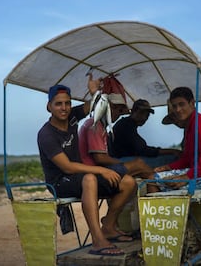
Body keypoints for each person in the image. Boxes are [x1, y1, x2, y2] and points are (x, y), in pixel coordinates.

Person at [37, 80, 136, 256]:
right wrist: (102, 170)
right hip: (60, 182)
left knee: (128, 182)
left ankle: (108, 227)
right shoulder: (46, 134)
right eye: (58, 104)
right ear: (49, 107)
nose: (64, 108)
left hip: (80, 176)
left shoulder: (72, 117)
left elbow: (95, 105)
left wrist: (93, 92)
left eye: (67, 103)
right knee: (90, 178)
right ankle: (98, 241)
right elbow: (67, 167)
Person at [79, 82, 160, 195]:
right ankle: (159, 199)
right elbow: (100, 158)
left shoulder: (101, 126)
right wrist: (123, 163)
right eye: (117, 109)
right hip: (94, 171)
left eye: (121, 110)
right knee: (140, 164)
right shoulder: (96, 125)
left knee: (145, 173)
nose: (118, 114)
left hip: (100, 168)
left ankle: (152, 204)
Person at [155, 87, 201, 188]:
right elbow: (187, 159)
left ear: (192, 103)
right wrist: (167, 167)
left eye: (181, 104)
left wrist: (187, 177)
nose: (178, 110)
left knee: (153, 178)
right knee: (154, 177)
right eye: (175, 106)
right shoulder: (189, 127)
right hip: (199, 174)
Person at [109, 99, 181, 167]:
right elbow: (143, 150)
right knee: (172, 158)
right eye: (141, 113)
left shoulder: (127, 124)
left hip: (122, 160)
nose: (144, 117)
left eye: (147, 115)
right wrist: (172, 151)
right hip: (120, 162)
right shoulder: (126, 125)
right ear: (134, 111)